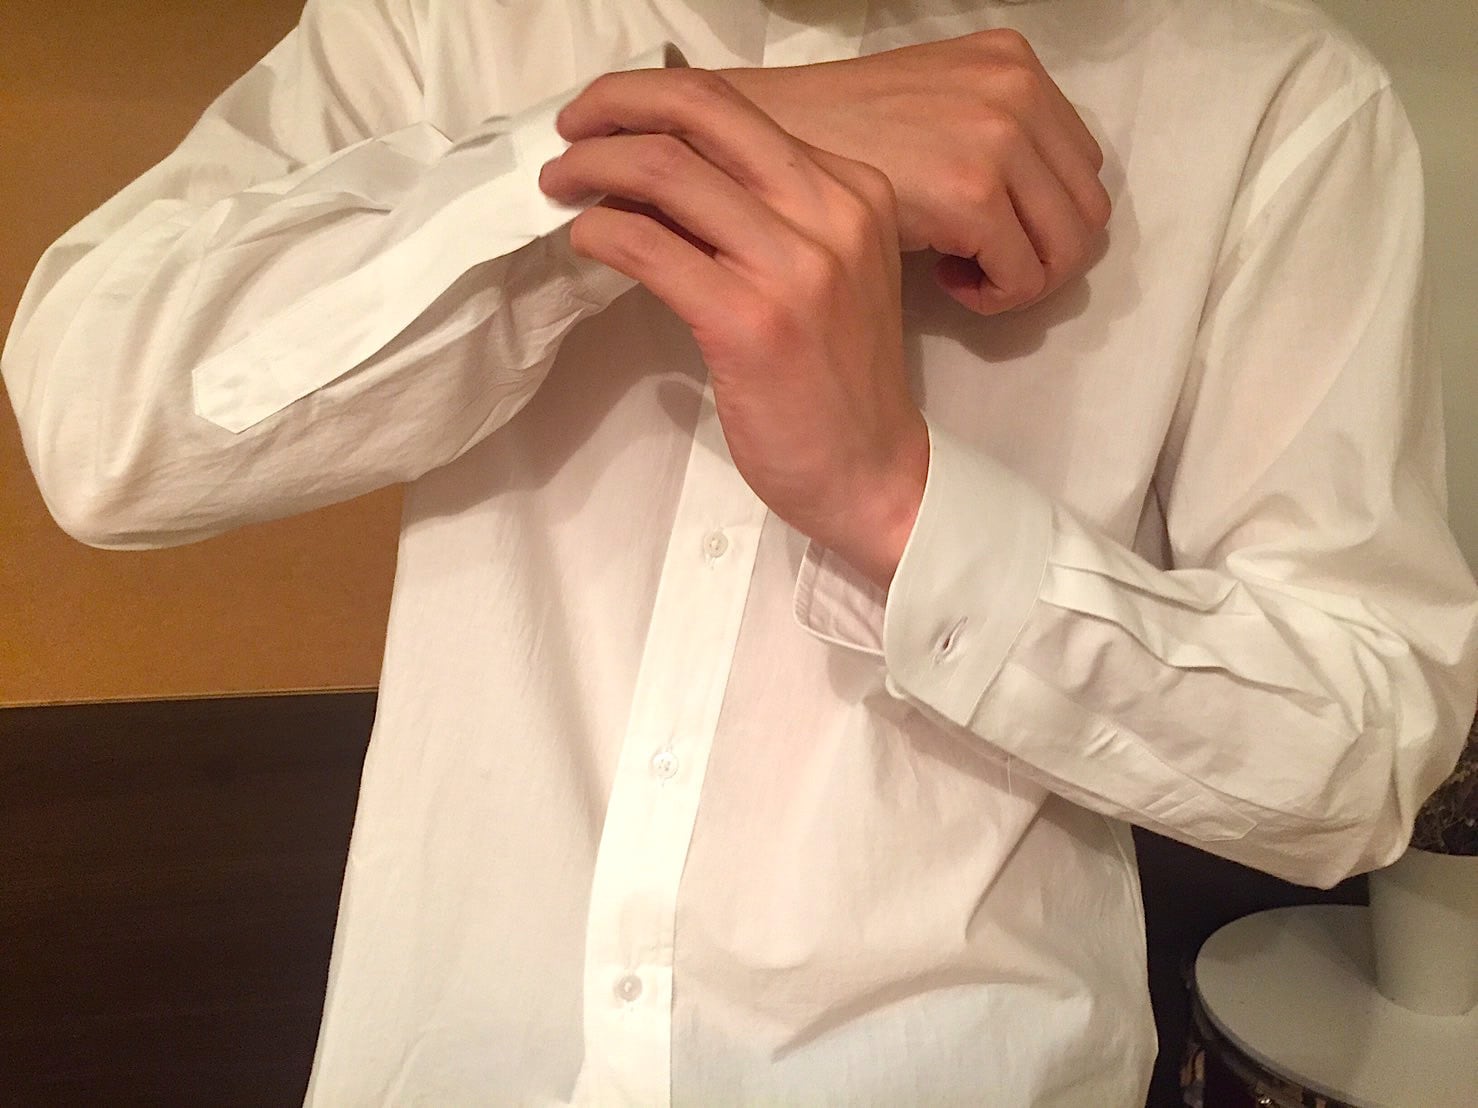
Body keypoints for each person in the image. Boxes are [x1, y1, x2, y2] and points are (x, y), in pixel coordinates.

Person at [4, 0, 1476, 1102]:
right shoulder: (443, 21)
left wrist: (897, 502)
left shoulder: (1272, 98)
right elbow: (99, 423)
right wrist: (665, 149)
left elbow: (1362, 752)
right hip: (448, 1053)